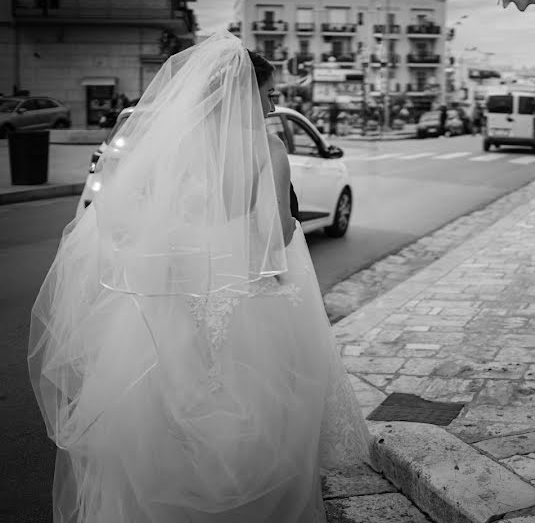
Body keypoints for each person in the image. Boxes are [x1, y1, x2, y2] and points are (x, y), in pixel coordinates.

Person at [28, 33, 370, 522]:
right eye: (269, 92)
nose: (275, 102)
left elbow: (122, 217)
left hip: (173, 297)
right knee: (257, 412)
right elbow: (274, 238)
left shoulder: (173, 147)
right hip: (245, 298)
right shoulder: (266, 149)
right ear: (243, 93)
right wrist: (284, 226)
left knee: (165, 412)